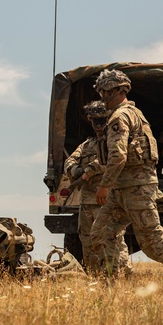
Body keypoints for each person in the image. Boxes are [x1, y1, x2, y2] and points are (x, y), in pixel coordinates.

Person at [89, 69, 163, 279]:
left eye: (103, 91)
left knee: (151, 237)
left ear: (114, 90)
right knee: (101, 233)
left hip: (136, 189)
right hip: (121, 189)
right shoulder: (134, 114)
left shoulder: (120, 116)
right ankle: (111, 281)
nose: (101, 97)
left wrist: (104, 185)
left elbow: (118, 155)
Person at [62, 101, 129, 273]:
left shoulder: (115, 140)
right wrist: (75, 171)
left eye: (102, 120)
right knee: (87, 239)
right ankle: (94, 276)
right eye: (94, 121)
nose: (98, 125)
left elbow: (111, 161)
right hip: (87, 202)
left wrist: (87, 172)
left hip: (107, 198)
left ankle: (122, 275)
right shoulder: (87, 144)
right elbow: (70, 161)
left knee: (112, 239)